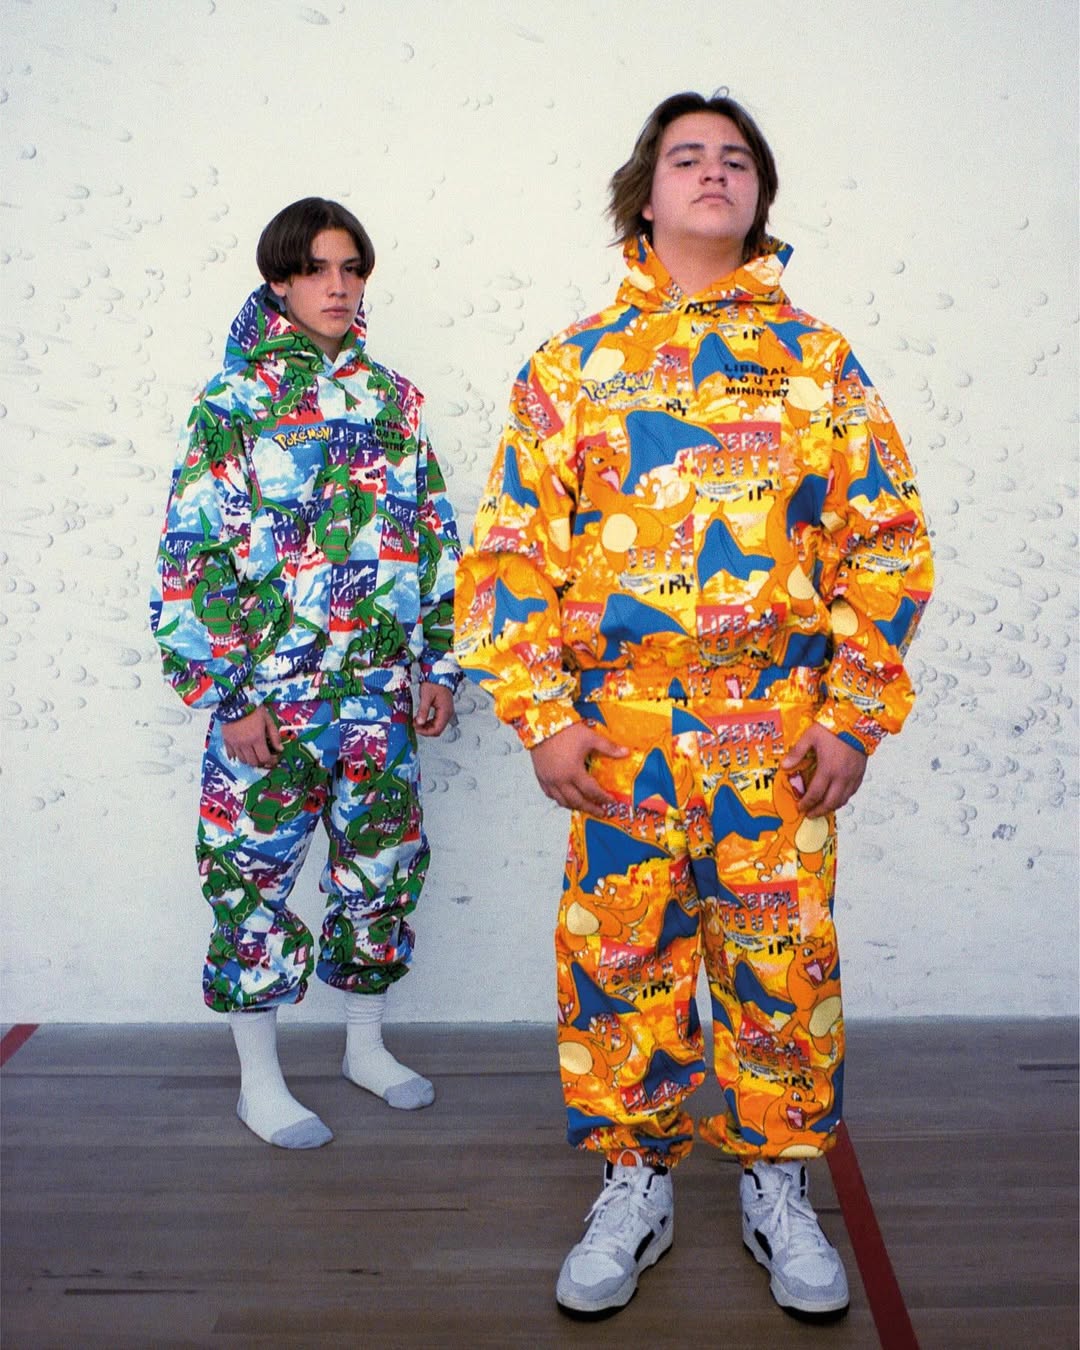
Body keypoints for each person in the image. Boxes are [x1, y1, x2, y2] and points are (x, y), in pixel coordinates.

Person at [454, 92, 933, 1318]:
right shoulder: (572, 366)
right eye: (687, 157)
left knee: (783, 965)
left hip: (779, 733)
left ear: (760, 194)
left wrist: (854, 713)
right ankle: (635, 1179)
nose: (713, 172)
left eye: (735, 159)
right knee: (622, 963)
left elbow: (885, 542)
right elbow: (509, 551)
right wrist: (541, 713)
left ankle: (779, 1179)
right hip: (621, 736)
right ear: (648, 191)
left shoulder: (819, 363)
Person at [151, 197, 462, 1148]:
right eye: (318, 268)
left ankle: (365, 1047)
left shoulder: (392, 400)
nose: (339, 285)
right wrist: (229, 694)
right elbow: (193, 553)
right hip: (273, 704)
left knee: (382, 870)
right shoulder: (232, 404)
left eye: (352, 267)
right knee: (251, 883)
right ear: (279, 280)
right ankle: (260, 1081)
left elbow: (435, 536)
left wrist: (439, 661)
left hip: (378, 696)